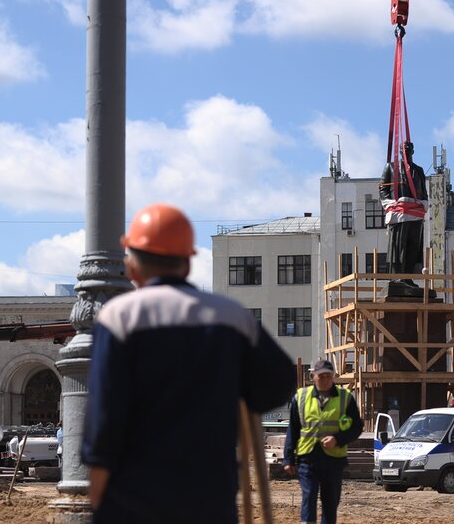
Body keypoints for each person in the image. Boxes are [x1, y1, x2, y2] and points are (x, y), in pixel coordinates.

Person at [81, 203, 296, 524]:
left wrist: (97, 490)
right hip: (208, 496)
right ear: (186, 264)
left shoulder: (119, 317)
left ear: (132, 267)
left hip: (132, 498)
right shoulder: (232, 317)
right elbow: (279, 383)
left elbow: (104, 415)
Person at [283, 359, 363, 524]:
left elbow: (357, 427)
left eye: (328, 376)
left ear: (333, 377)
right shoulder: (301, 397)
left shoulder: (345, 398)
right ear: (313, 376)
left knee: (330, 502)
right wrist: (288, 458)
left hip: (334, 460)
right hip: (308, 457)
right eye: (321, 376)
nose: (325, 379)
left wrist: (338, 439)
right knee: (309, 495)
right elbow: (293, 428)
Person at [379, 140, 428, 286]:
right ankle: (397, 276)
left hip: (415, 213)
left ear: (412, 151)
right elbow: (383, 188)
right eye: (403, 149)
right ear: (400, 152)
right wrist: (390, 203)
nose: (406, 151)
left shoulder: (418, 170)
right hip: (399, 213)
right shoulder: (391, 167)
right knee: (399, 245)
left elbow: (423, 191)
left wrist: (423, 202)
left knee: (413, 245)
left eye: (408, 149)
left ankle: (408, 276)